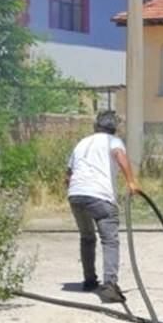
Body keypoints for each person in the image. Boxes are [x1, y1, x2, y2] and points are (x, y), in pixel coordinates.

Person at [66, 111, 140, 304]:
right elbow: (119, 155)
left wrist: (75, 190)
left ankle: (89, 280)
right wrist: (131, 182)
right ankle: (109, 286)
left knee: (87, 237)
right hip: (100, 196)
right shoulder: (113, 141)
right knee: (110, 241)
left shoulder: (81, 143)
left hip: (76, 195)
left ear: (95, 126)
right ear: (115, 128)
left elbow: (68, 174)